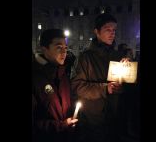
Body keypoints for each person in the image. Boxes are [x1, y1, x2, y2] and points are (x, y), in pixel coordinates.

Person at [71, 13, 129, 142]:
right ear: (97, 32)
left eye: (114, 30)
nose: (112, 33)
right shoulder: (85, 57)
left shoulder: (118, 55)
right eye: (108, 30)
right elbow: (77, 86)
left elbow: (124, 87)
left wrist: (128, 72)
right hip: (93, 121)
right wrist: (104, 89)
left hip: (115, 117)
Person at [32, 29, 78, 142]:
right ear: (44, 49)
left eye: (65, 48)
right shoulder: (35, 77)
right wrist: (60, 126)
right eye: (58, 47)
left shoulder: (63, 74)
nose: (64, 52)